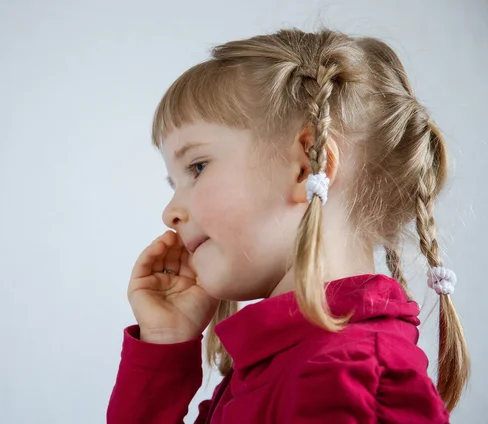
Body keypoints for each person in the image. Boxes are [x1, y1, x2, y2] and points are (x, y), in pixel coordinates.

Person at [106, 28, 470, 423]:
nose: (170, 213)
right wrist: (164, 343)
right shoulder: (278, 366)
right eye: (173, 182)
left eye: (197, 167)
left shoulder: (352, 382)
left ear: (306, 167)